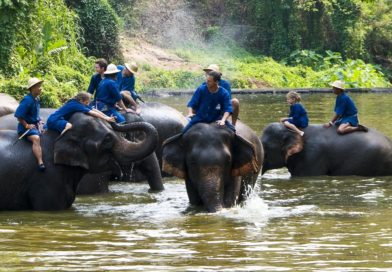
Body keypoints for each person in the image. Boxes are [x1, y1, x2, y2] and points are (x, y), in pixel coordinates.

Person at [46, 92, 115, 135]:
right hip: (55, 120)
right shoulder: (76, 105)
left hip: (57, 118)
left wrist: (107, 117)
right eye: (86, 102)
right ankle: (60, 141)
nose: (87, 104)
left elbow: (94, 109)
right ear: (81, 100)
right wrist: (105, 118)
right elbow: (91, 112)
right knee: (69, 126)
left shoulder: (79, 102)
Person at [14, 77, 45, 171]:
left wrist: (39, 120)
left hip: (34, 125)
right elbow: (19, 115)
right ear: (32, 88)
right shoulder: (27, 100)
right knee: (36, 138)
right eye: (38, 86)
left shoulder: (36, 99)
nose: (40, 88)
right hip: (25, 128)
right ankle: (40, 162)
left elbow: (34, 113)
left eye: (40, 86)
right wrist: (27, 125)